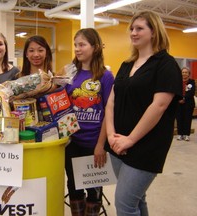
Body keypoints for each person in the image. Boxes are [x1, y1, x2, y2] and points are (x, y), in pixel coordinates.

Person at [104, 11, 182, 216]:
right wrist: (111, 134)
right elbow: (111, 101)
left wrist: (130, 139)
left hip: (146, 146)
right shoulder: (126, 64)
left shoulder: (166, 65)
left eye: (139, 28)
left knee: (124, 204)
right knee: (137, 200)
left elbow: (159, 106)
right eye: (131, 28)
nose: (133, 33)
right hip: (118, 142)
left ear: (154, 32)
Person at [64, 28, 114, 216]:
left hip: (95, 143)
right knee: (74, 186)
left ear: (95, 47)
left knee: (94, 191)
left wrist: (101, 145)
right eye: (76, 45)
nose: (77, 49)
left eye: (82, 45)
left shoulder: (106, 76)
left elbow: (109, 113)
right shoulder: (70, 73)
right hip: (72, 142)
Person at [176, 66, 196, 141]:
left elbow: (192, 92)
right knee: (179, 118)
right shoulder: (178, 81)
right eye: (183, 72)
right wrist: (179, 99)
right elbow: (176, 91)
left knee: (187, 119)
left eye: (186, 72)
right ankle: (180, 134)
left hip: (188, 103)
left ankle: (186, 134)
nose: (184, 74)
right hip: (178, 103)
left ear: (189, 74)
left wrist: (184, 98)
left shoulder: (192, 82)